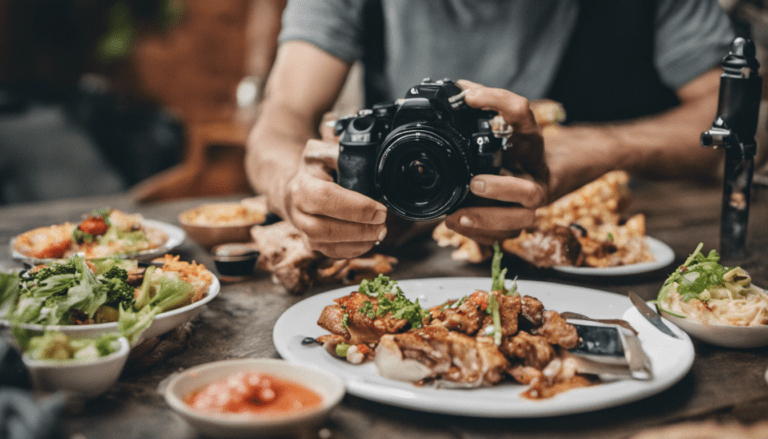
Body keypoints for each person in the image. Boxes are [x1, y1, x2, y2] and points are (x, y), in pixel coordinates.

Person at [245, 0, 736, 259]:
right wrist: (297, 191)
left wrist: (586, 149)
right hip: (406, 254)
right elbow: (282, 115)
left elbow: (733, 117)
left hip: (621, 253)